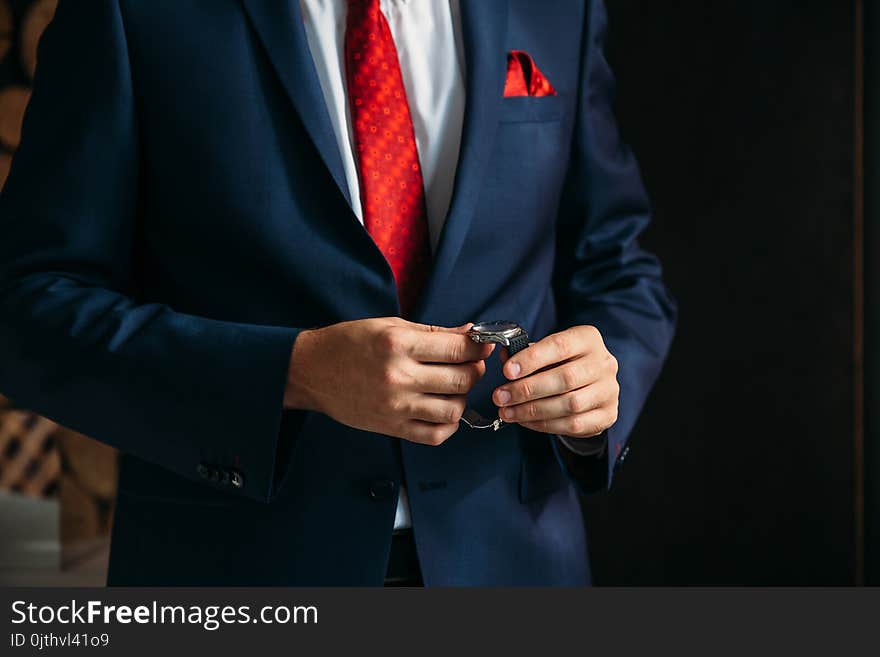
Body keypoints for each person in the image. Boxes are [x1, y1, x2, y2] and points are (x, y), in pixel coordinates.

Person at [0, 0, 675, 586]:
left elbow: (619, 268)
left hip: (516, 569)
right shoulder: (131, 10)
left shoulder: (557, 7)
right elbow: (28, 310)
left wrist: (602, 378)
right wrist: (292, 374)